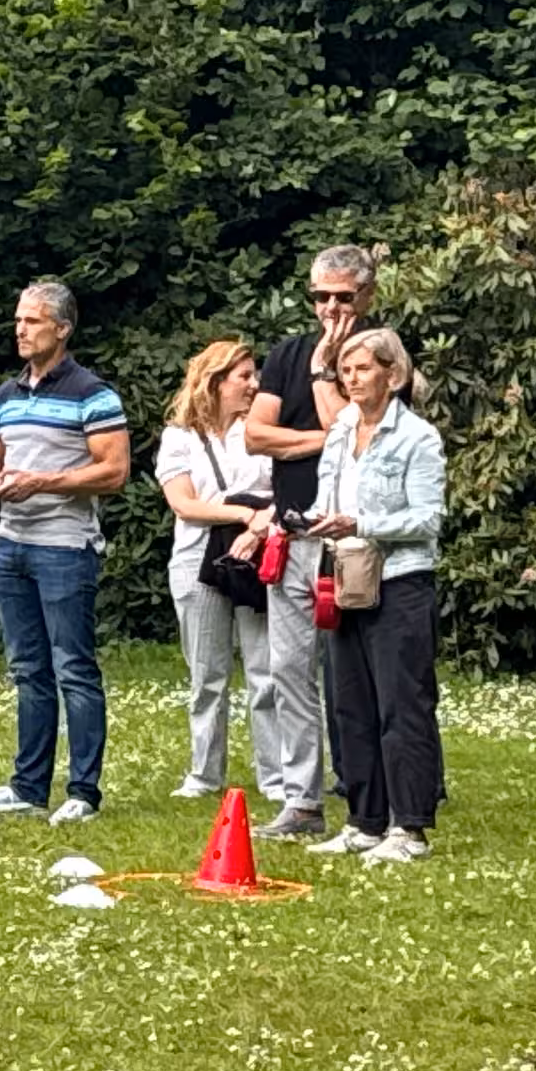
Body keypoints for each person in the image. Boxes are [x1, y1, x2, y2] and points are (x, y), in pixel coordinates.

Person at [0, 280, 128, 826]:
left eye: (32, 321)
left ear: (62, 328)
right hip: (12, 543)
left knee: (73, 668)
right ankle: (28, 789)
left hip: (64, 545)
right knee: (28, 670)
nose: (20, 330)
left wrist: (44, 482)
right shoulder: (8, 394)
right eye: (17, 321)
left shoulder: (92, 393)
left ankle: (83, 792)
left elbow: (115, 471)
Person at [242, 245, 377, 838]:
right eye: (320, 296)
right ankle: (302, 800)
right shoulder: (286, 353)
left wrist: (328, 372)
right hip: (293, 533)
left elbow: (354, 430)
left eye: (342, 297)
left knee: (362, 673)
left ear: (366, 298)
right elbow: (253, 435)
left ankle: (376, 794)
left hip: (356, 539)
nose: (329, 307)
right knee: (288, 670)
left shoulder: (378, 357)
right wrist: (317, 440)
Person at [303, 325, 444, 863]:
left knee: (401, 705)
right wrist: (313, 519)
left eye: (363, 368)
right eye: (346, 369)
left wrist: (361, 522)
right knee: (348, 703)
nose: (352, 378)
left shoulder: (418, 437)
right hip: (344, 575)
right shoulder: (339, 427)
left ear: (393, 373)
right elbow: (326, 491)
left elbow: (428, 518)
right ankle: (364, 821)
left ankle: (409, 829)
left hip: (400, 580)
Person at [154, 340, 280, 800]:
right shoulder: (180, 437)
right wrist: (243, 514)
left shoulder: (262, 433)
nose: (254, 384)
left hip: (257, 558)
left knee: (266, 671)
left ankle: (276, 777)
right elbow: (184, 504)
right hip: (196, 559)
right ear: (215, 382)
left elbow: (284, 496)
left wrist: (258, 522)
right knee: (207, 675)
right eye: (243, 376)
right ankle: (205, 773)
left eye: (255, 375)